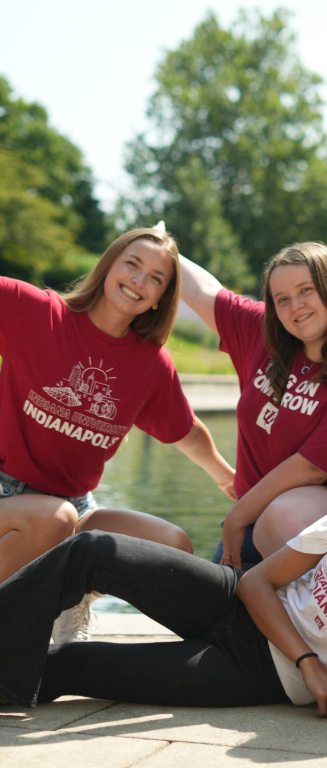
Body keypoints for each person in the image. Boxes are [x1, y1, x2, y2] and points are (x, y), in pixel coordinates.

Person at [0, 426, 327, 735]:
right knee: (94, 549)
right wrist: (310, 664)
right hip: (237, 605)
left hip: (256, 671)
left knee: (71, 664)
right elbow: (257, 582)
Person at [0, 227, 235, 642]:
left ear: (162, 296)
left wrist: (231, 479)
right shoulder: (35, 311)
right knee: (56, 519)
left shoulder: (150, 364)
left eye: (157, 278)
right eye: (132, 264)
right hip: (7, 497)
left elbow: (186, 431)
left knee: (171, 546)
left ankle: (70, 599)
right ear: (109, 264)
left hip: (73, 506)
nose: (139, 281)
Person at [179, 241, 327, 569]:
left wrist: (238, 516)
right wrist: (158, 242)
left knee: (280, 517)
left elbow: (310, 469)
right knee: (218, 613)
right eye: (282, 300)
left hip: (314, 523)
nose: (295, 306)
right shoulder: (263, 334)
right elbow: (201, 291)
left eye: (306, 290)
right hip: (251, 513)